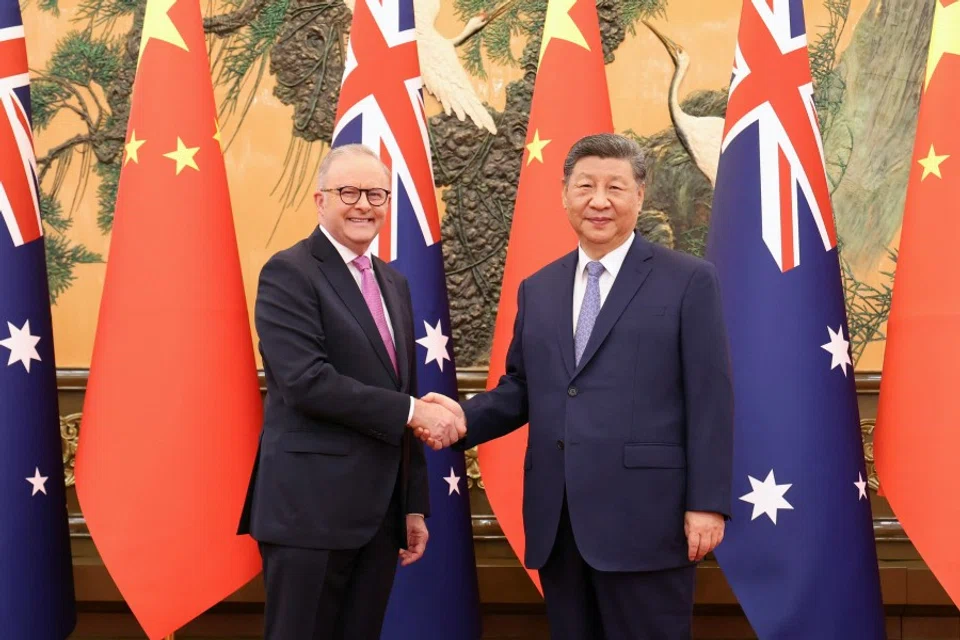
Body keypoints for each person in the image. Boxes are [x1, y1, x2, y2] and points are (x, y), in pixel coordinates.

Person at [423, 133, 734, 639]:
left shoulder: (688, 280)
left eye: (615, 186)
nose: (599, 200)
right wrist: (462, 418)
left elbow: (710, 398)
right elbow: (524, 387)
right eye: (585, 185)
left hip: (648, 521)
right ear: (564, 193)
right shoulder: (539, 288)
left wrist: (707, 503)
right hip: (559, 521)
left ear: (639, 194)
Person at [237, 144, 465, 640]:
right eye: (349, 192)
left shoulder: (394, 283)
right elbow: (305, 382)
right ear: (320, 200)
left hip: (378, 517)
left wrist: (411, 504)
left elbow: (404, 390)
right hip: (308, 517)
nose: (364, 204)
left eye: (377, 194)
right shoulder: (289, 272)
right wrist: (413, 412)